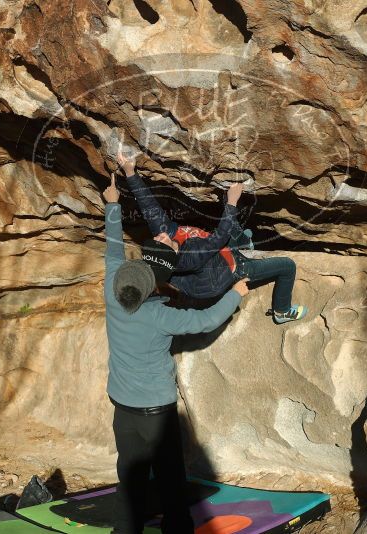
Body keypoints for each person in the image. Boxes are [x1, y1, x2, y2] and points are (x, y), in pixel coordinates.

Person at [102, 173, 249, 533]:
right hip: (157, 412)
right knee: (171, 482)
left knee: (130, 477)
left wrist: (112, 204)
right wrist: (237, 293)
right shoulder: (160, 316)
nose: (168, 238)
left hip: (122, 408)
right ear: (160, 283)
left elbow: (113, 248)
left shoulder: (111, 290)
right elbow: (206, 320)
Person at [117, 152, 307, 324]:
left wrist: (130, 173)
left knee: (232, 231)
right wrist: (232, 200)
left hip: (205, 271)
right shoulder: (192, 254)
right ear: (172, 251)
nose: (158, 235)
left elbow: (149, 208)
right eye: (160, 240)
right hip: (228, 273)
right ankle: (281, 312)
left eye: (155, 238)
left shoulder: (166, 237)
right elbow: (219, 237)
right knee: (287, 266)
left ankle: (242, 241)